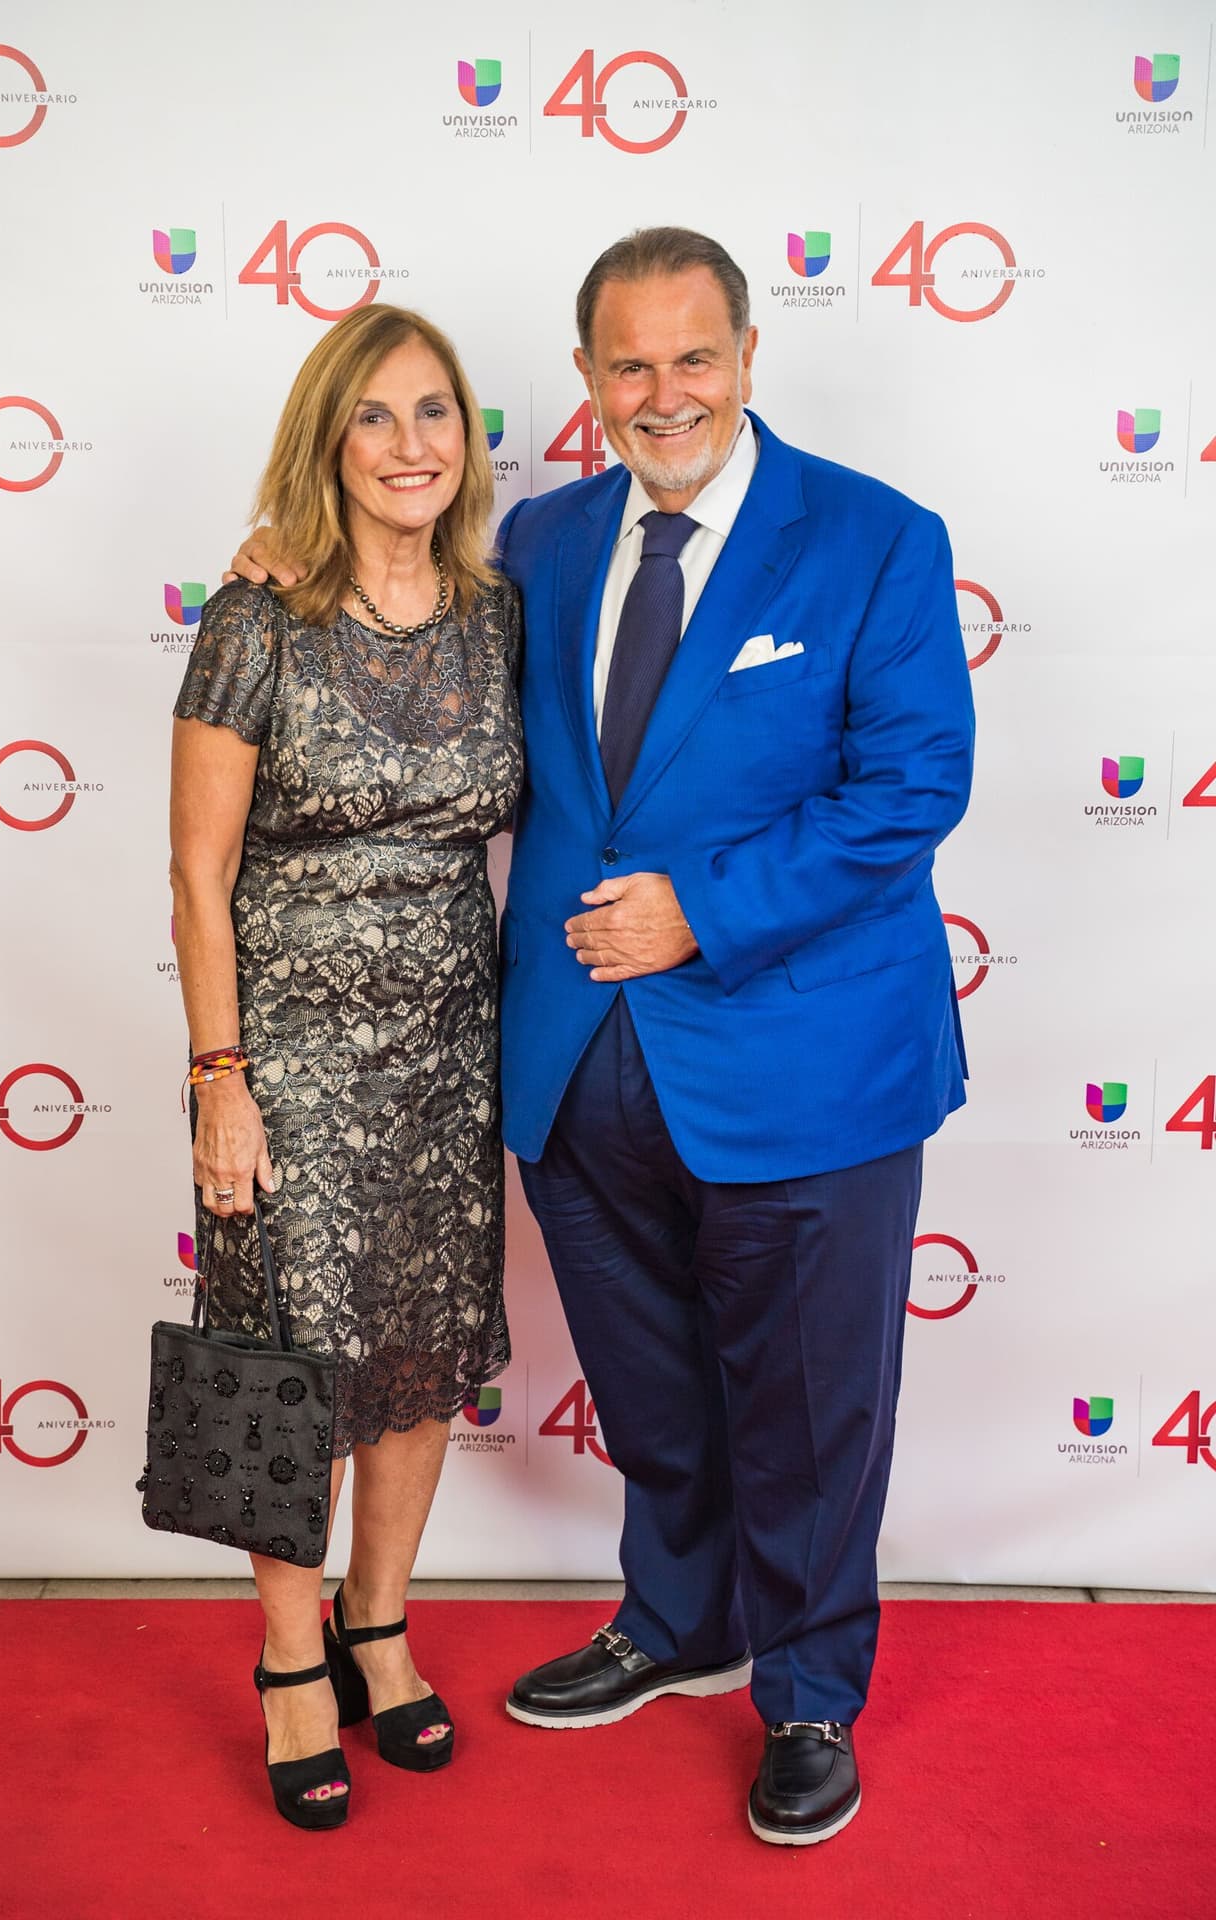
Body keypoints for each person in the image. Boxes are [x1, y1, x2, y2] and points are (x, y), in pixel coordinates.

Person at [231, 225, 974, 1848]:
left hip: (803, 1064)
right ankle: (677, 1620)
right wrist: (290, 561)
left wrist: (704, 908)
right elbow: (404, 628)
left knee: (810, 1407)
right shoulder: (544, 543)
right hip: (574, 1060)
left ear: (750, 354)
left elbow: (914, 786)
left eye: (694, 356)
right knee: (647, 1383)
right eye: (629, 365)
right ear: (585, 378)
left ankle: (809, 1692)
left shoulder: (875, 539)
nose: (664, 392)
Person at [171, 302, 522, 1829]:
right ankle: (289, 1657)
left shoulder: (499, 615)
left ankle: (379, 1623)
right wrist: (218, 1074)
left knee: (422, 1349)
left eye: (433, 409)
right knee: (280, 1364)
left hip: (450, 1051)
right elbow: (198, 874)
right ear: (327, 440)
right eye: (372, 415)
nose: (408, 442)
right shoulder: (256, 618)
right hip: (289, 1061)